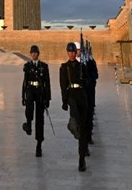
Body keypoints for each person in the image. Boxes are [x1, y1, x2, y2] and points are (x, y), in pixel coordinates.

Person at [60, 42, 91, 172]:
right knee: (77, 122)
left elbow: (89, 81)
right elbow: (63, 85)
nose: (72, 53)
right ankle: (73, 124)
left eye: (73, 51)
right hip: (72, 95)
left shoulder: (82, 66)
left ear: (76, 53)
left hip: (82, 96)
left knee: (83, 127)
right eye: (70, 51)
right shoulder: (64, 68)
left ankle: (81, 159)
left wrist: (84, 80)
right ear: (67, 53)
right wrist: (64, 101)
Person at [22, 44, 51, 157]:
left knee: (40, 119)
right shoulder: (27, 66)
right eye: (32, 52)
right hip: (30, 90)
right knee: (29, 107)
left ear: (38, 54)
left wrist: (47, 99)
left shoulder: (44, 66)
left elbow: (47, 83)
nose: (34, 54)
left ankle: (39, 144)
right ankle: (28, 124)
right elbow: (24, 82)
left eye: (35, 52)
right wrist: (22, 96)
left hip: (40, 92)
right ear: (30, 54)